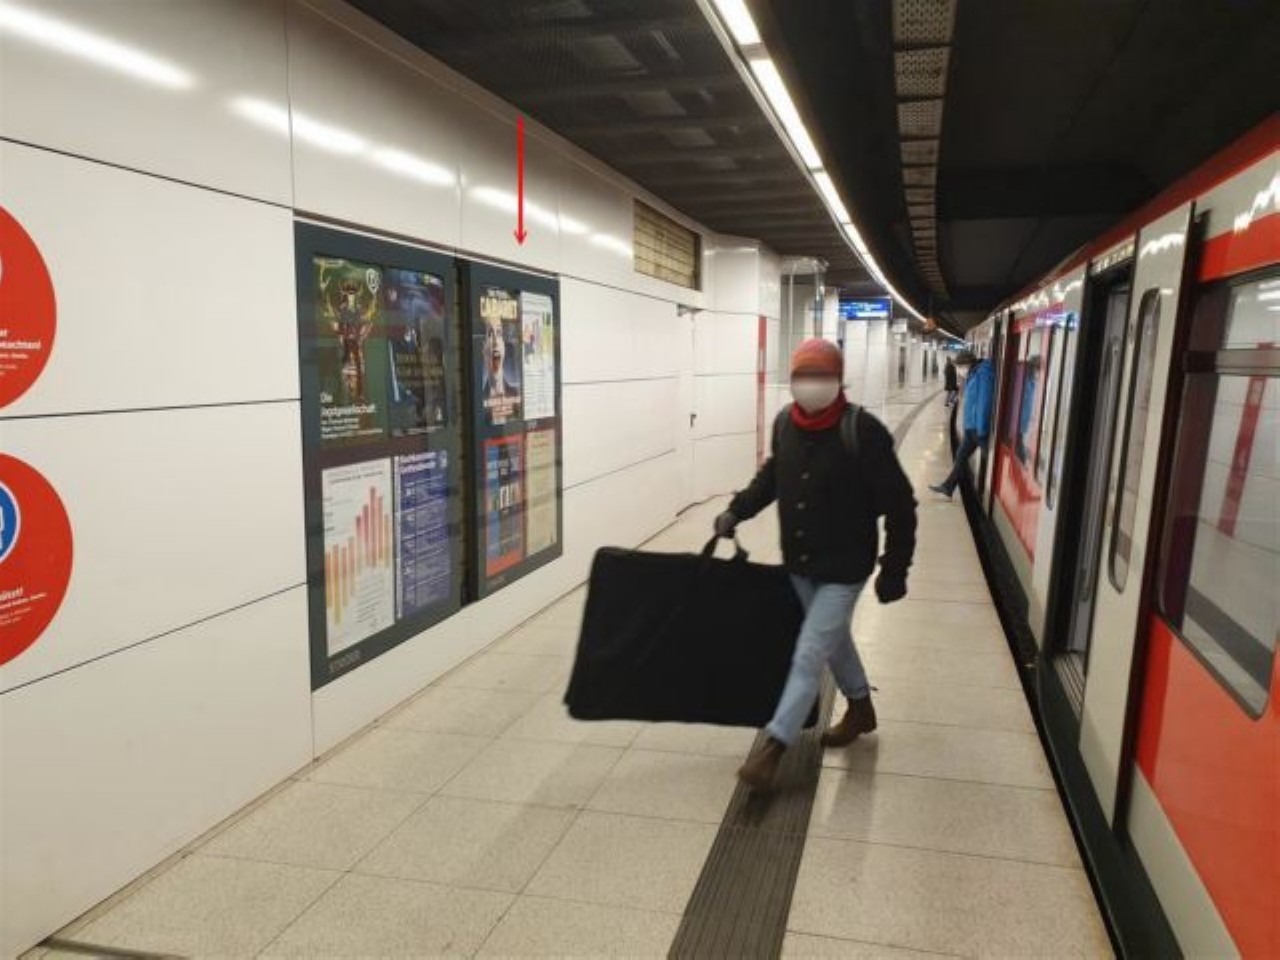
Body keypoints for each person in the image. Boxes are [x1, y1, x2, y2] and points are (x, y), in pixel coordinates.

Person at [714, 339, 918, 791]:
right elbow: (772, 477)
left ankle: (774, 747)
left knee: (810, 651)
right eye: (802, 376)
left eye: (821, 376)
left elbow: (901, 504)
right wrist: (737, 510)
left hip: (846, 566)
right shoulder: (785, 423)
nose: (810, 385)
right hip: (801, 563)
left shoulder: (862, 430)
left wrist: (895, 567)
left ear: (838, 380)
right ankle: (861, 708)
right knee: (832, 637)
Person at [930, 351, 994, 498]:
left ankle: (998, 491)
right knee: (960, 457)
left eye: (959, 367)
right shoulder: (974, 374)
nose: (959, 371)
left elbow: (984, 403)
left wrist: (981, 430)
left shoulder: (983, 375)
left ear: (966, 364)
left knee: (989, 458)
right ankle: (948, 487)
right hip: (971, 427)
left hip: (977, 429)